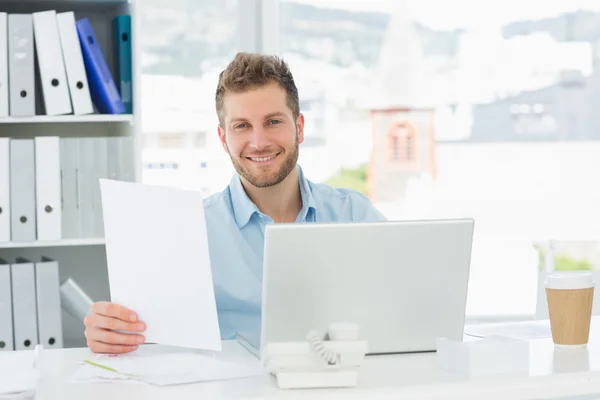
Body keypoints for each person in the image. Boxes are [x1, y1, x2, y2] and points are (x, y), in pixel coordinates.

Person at [84, 52, 386, 354]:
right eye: (241, 126)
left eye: (273, 121)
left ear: (300, 127)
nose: (258, 142)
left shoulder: (354, 215)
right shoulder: (189, 231)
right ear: (223, 137)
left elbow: (407, 304)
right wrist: (109, 332)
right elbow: (143, 336)